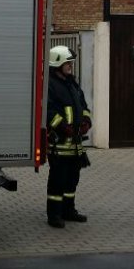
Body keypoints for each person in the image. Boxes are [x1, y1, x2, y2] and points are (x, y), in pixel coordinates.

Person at [46, 45, 92, 228]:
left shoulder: (72, 84)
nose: (70, 65)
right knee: (58, 181)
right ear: (57, 64)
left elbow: (83, 106)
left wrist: (87, 121)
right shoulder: (50, 85)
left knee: (72, 180)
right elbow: (48, 111)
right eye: (68, 63)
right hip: (60, 144)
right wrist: (63, 127)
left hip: (75, 144)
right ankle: (54, 215)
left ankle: (68, 210)